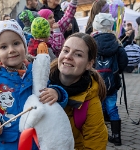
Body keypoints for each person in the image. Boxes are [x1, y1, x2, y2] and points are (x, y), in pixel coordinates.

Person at [0, 19, 68, 150]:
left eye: (16, 43)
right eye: (4, 47)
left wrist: (57, 93)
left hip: (36, 141)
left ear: (25, 46)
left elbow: (47, 92)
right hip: (6, 144)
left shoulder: (35, 72)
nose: (11, 50)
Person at [49, 32, 108, 149]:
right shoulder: (39, 79)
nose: (68, 56)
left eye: (78, 55)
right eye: (65, 50)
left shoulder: (90, 102)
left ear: (89, 64)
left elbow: (95, 144)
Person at [92, 13, 128, 146]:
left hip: (96, 81)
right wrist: (117, 71)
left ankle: (99, 134)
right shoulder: (115, 41)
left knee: (98, 107)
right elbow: (124, 60)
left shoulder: (91, 41)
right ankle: (116, 136)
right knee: (112, 108)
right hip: (112, 82)